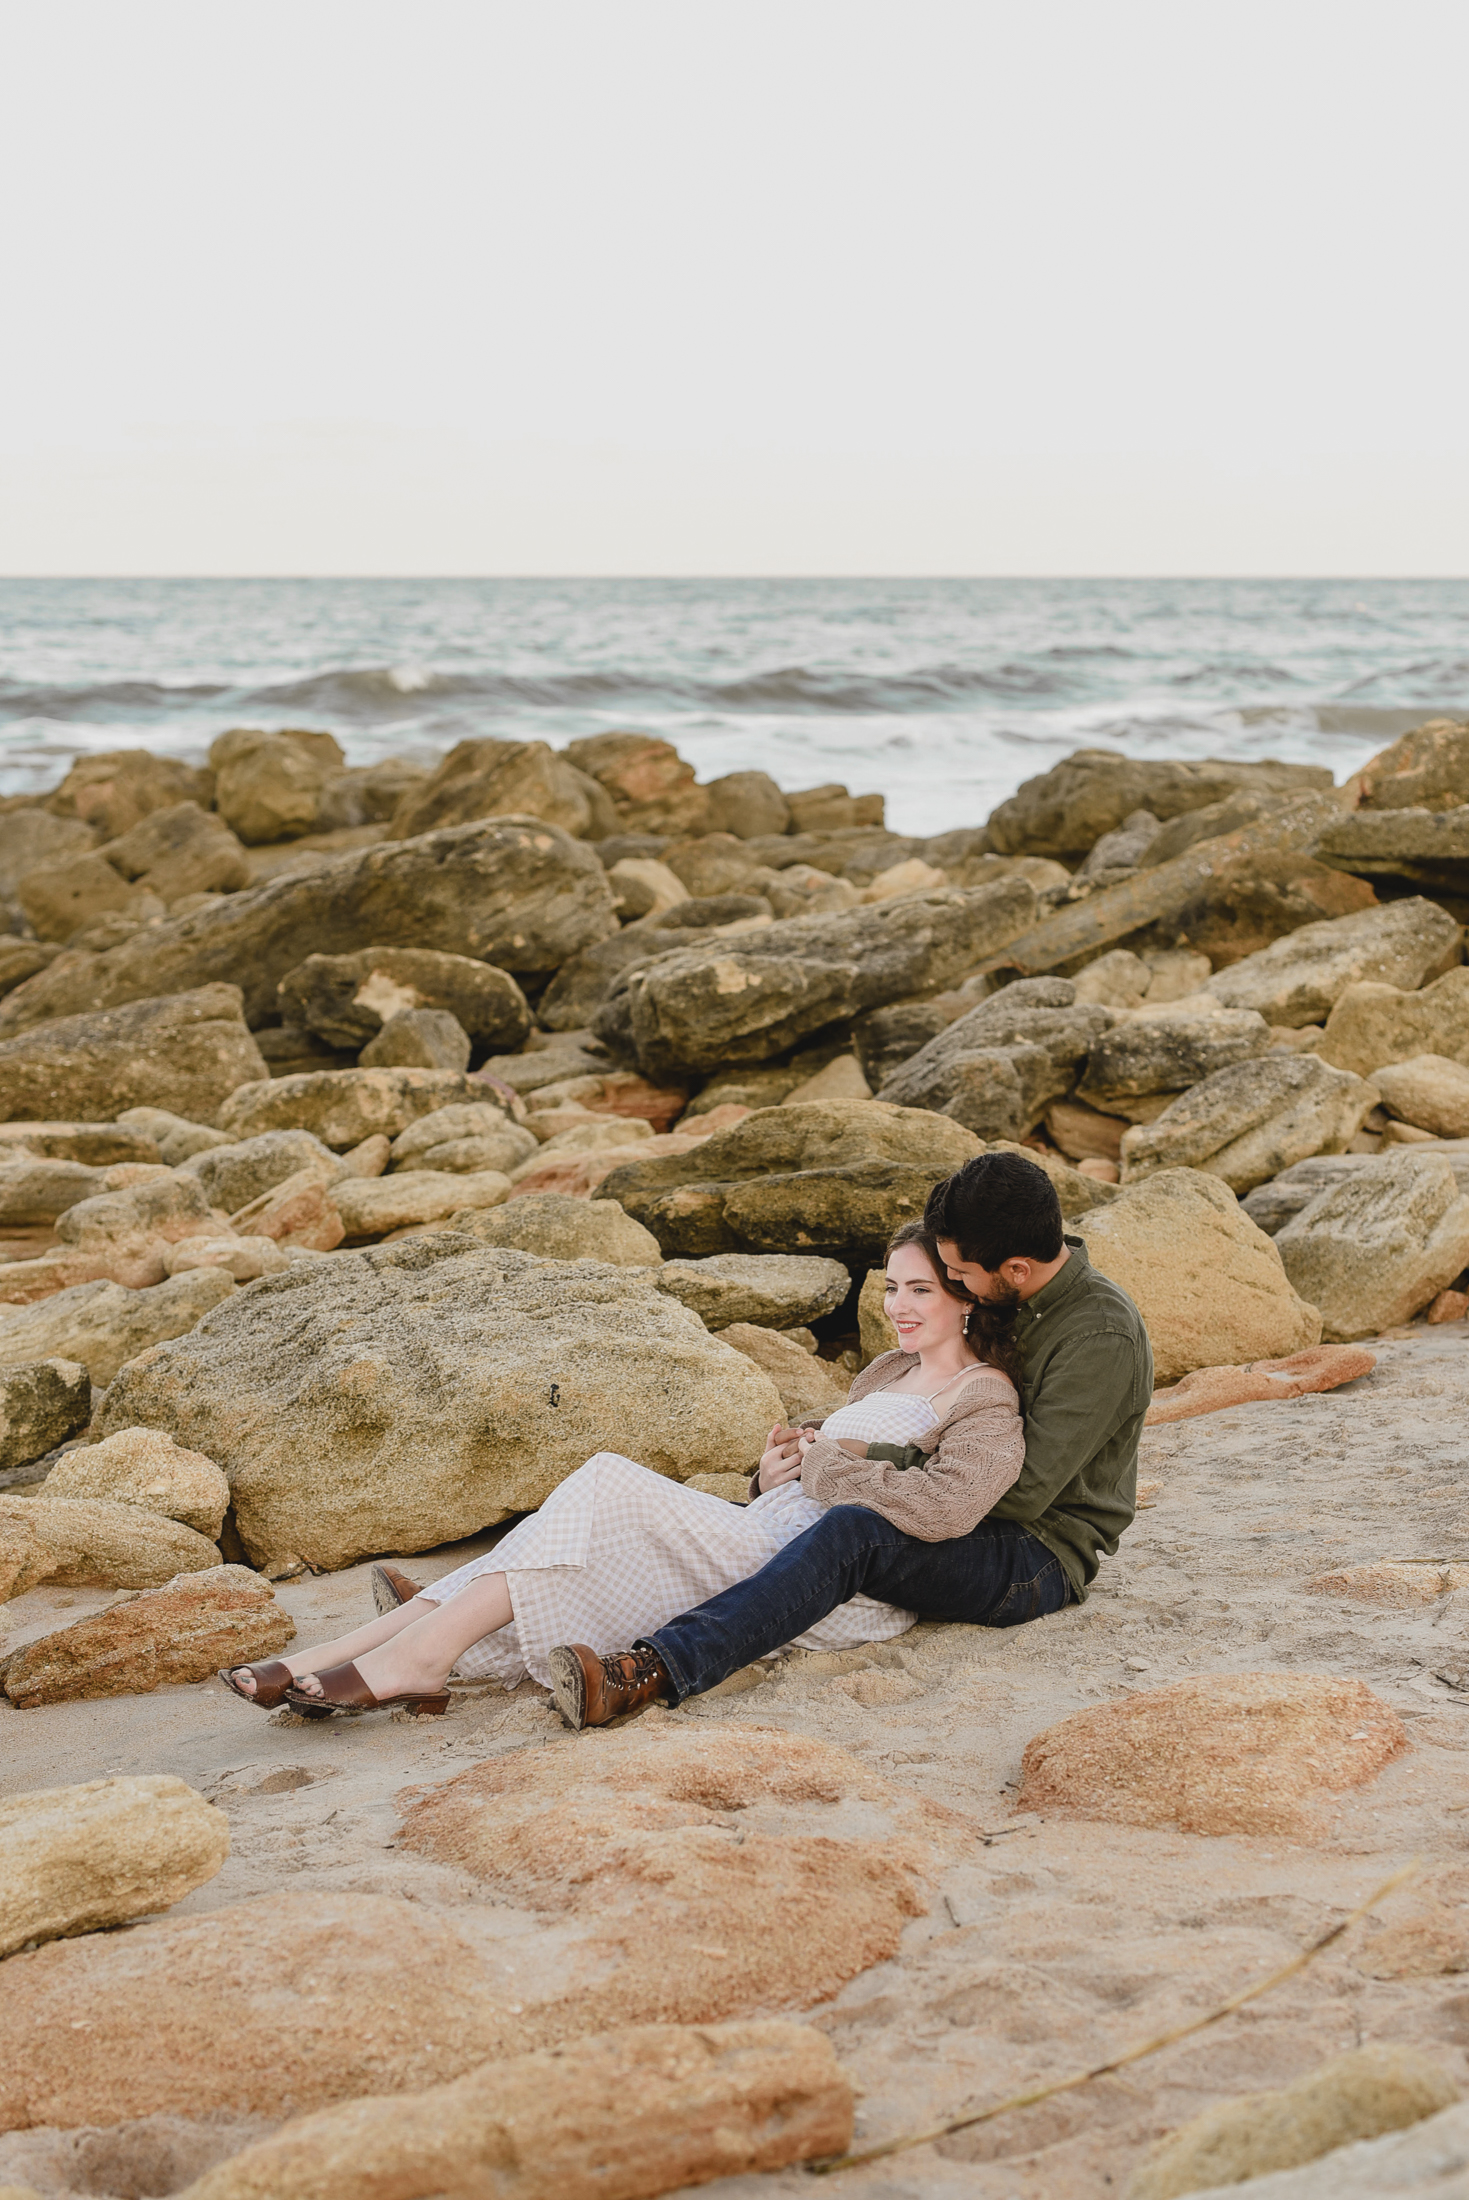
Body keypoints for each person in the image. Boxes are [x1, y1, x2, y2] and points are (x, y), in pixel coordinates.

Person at [217, 1219, 1024, 1719]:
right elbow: (829, 1468)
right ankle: (356, 1652)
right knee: (567, 1557)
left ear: (964, 1295)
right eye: (891, 1288)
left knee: (604, 1480)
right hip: (756, 1537)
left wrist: (821, 1472)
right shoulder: (884, 1372)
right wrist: (771, 1473)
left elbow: (946, 1506)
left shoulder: (981, 1392)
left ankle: (412, 1659)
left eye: (920, 1289)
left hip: (828, 1587)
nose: (899, 1306)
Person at [548, 1147, 1151, 1729]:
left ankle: (652, 1671)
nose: (959, 1289)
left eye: (962, 1276)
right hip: (960, 1504)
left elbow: (1017, 1494)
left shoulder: (1098, 1336)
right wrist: (807, 1455)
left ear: (1015, 1268)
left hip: (1030, 1552)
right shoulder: (1017, 1289)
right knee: (754, 1520)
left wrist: (865, 1458)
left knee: (852, 1533)